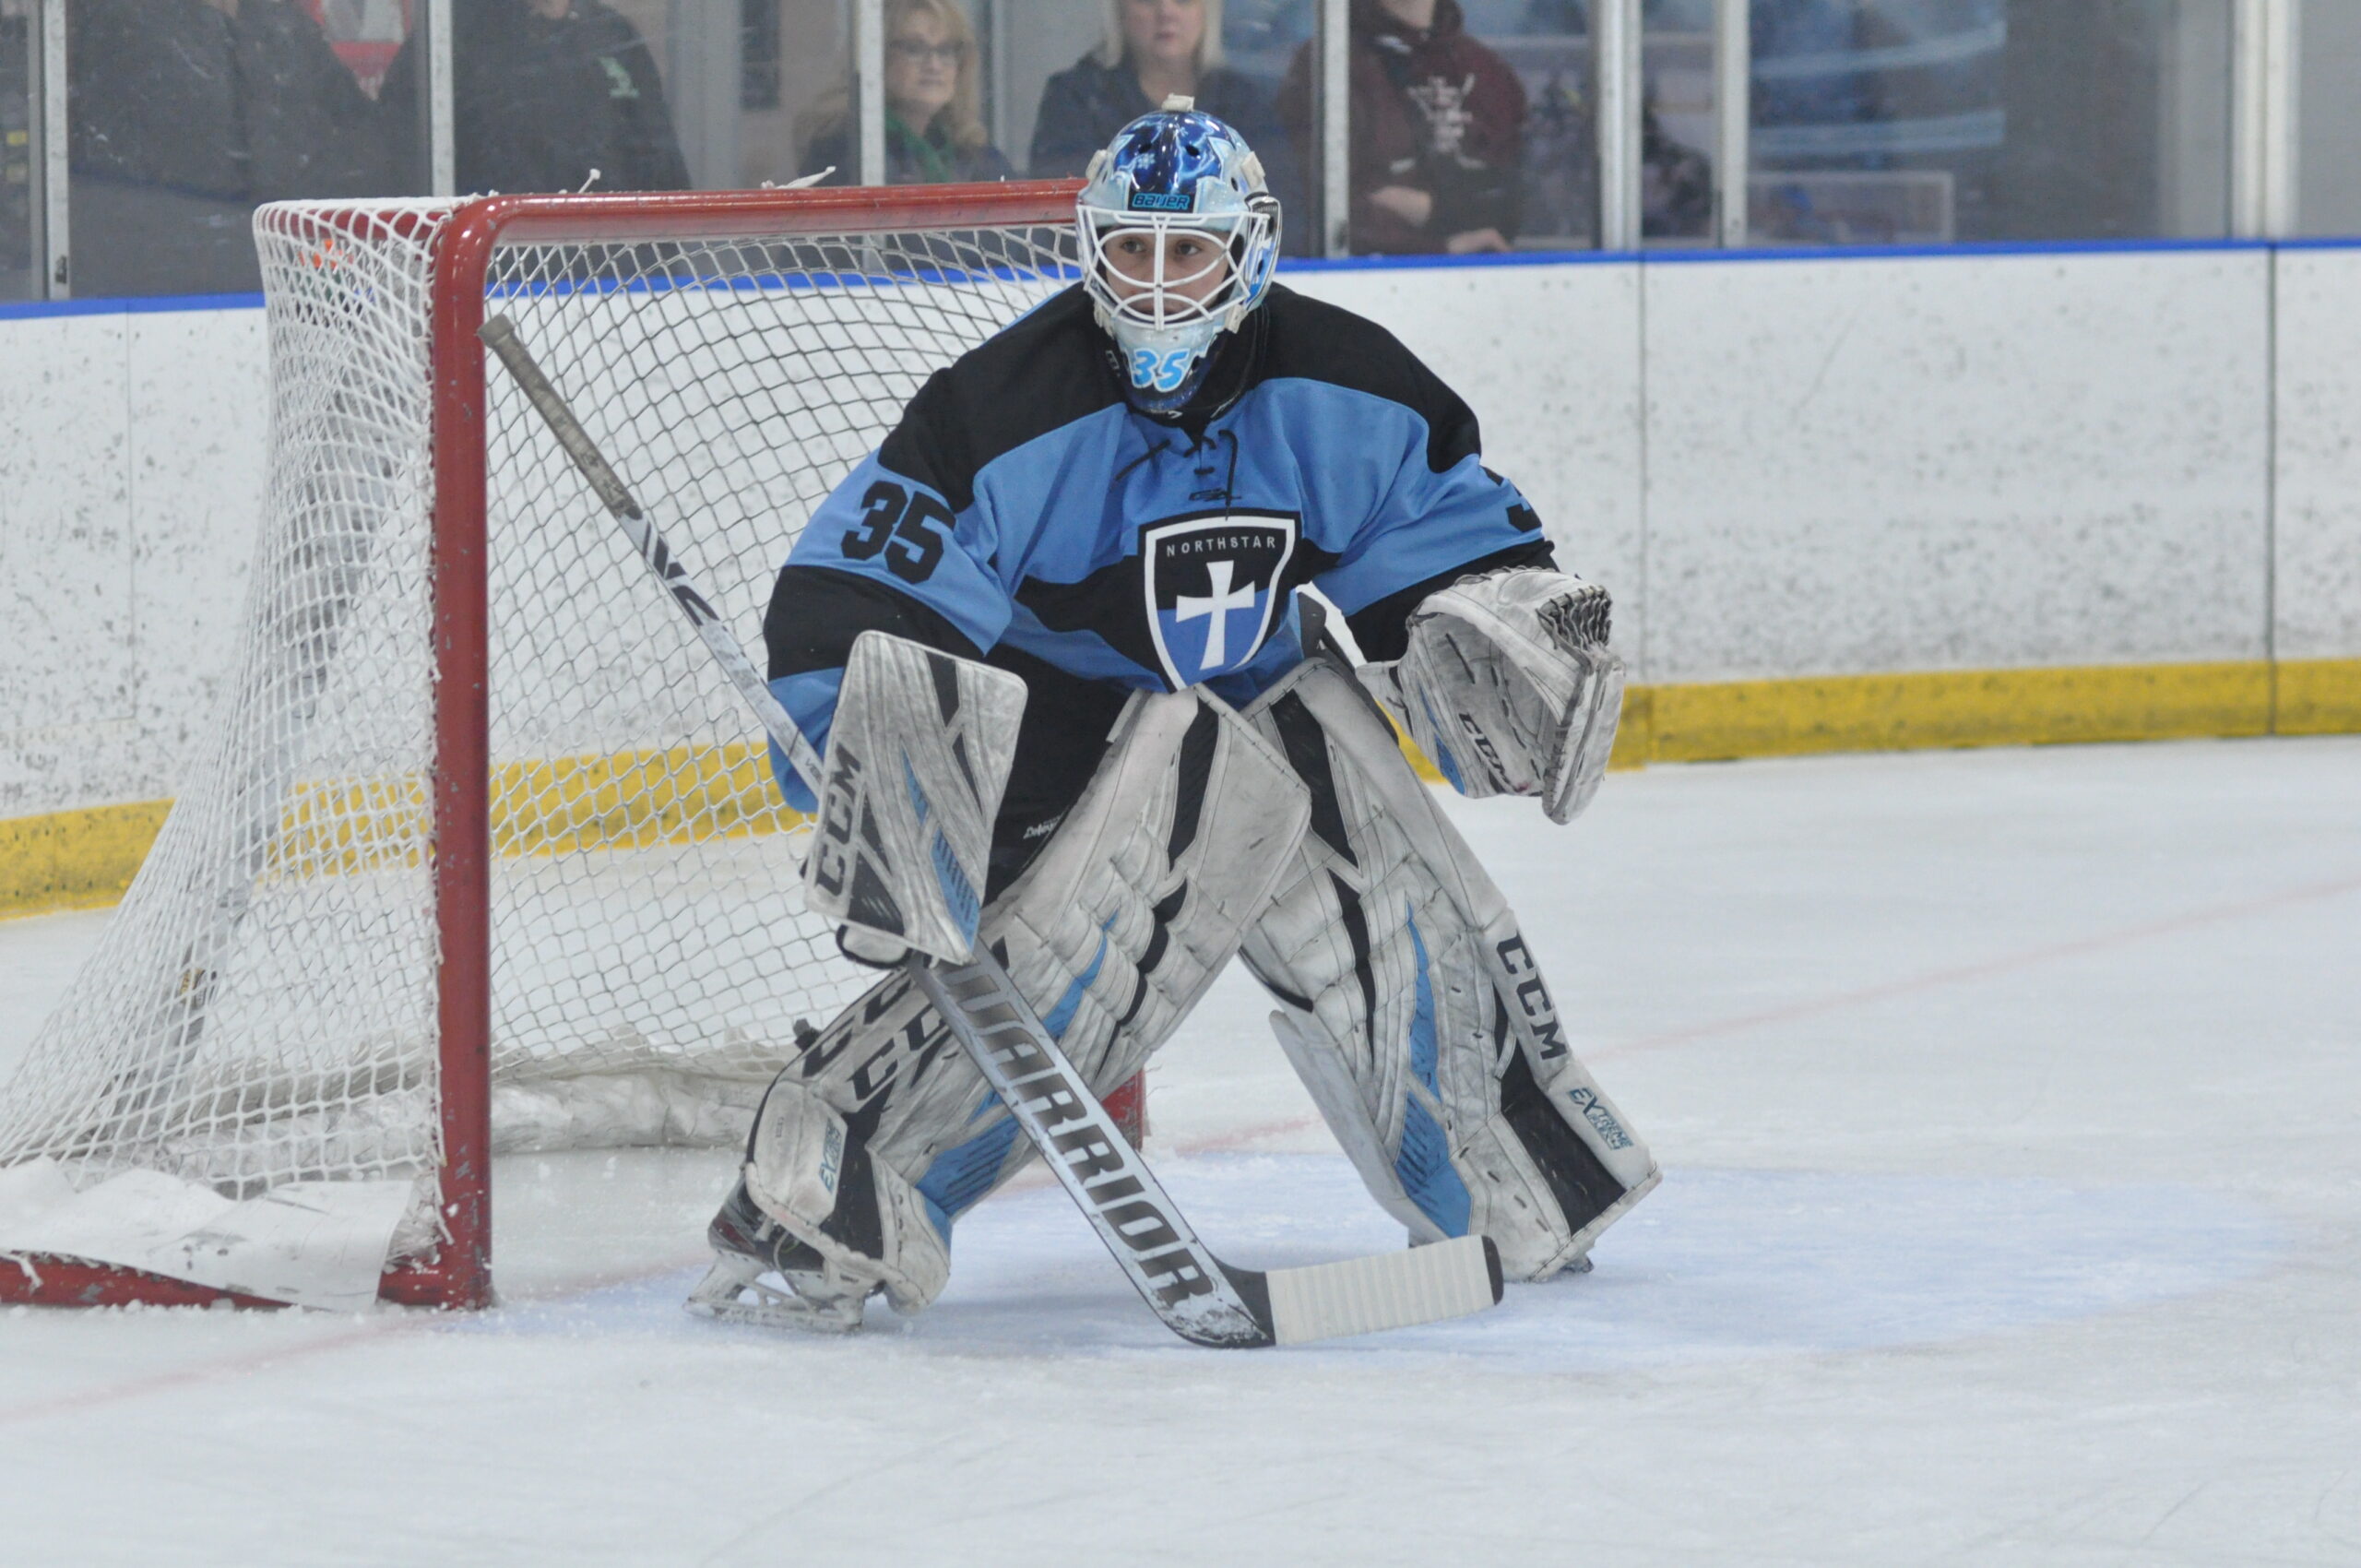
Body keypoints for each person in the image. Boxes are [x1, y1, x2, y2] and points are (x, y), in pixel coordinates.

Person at [688, 104, 1656, 1335]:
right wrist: (879, 777)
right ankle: (821, 1201)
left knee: (1387, 893)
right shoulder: (1000, 410)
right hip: (1053, 737)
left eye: (1184, 253)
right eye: (1129, 250)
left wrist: (1489, 625)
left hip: (1254, 688)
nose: (1152, 284)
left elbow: (1439, 552)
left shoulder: (1342, 386)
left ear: (1246, 253)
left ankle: (1507, 1177)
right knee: (1088, 948)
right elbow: (860, 597)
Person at [66, 0, 395, 296]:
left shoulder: (279, 23)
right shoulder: (127, 25)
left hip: (291, 268)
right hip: (176, 280)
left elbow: (358, 137)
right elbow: (131, 184)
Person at [1277, 0, 1525, 255]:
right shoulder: (1328, 63)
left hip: (1490, 278)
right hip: (1368, 282)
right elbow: (1326, 210)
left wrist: (1433, 209)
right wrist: (1439, 246)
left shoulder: (1488, 71)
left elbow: (1519, 203)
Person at [381, 0, 688, 196]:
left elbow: (660, 161)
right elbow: (399, 157)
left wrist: (663, 267)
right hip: (502, 278)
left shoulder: (612, 34)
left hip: (615, 273)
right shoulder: (450, 36)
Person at [1027, 0, 1284, 185]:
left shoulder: (1244, 103)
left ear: (1207, 10)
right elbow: (1059, 211)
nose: (1166, 11)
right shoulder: (1075, 98)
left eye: (1184, 0)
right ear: (1119, 11)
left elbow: (1279, 209)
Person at [801, 0, 1012, 185]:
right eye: (915, 49)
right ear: (877, 56)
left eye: (946, 50)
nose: (934, 65)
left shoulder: (972, 154)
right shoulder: (851, 149)